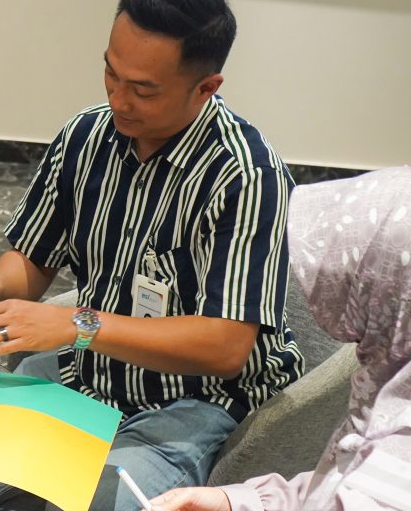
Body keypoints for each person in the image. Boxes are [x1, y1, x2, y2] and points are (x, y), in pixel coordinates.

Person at [0, 0, 303, 511]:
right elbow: (33, 259)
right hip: (87, 373)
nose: (118, 99)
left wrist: (78, 325)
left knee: (93, 503)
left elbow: (225, 347)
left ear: (206, 88)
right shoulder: (85, 137)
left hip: (193, 403)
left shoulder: (246, 175)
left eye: (143, 89)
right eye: (110, 72)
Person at [151, 166, 411, 510]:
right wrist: (233, 501)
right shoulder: (387, 398)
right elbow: (332, 487)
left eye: (361, 287)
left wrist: (87, 327)